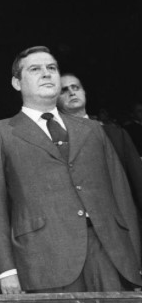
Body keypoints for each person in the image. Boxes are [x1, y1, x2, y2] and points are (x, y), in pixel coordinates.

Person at [0, 46, 142, 293]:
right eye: (35, 69)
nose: (47, 74)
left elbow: (121, 194)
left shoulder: (92, 129)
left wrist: (136, 257)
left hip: (111, 254)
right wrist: (6, 270)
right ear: (16, 83)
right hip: (45, 259)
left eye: (51, 68)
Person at [57, 73, 142, 213]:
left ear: (84, 92)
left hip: (123, 219)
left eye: (75, 87)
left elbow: (138, 183)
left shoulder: (116, 135)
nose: (72, 92)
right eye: (64, 90)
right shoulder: (55, 141)